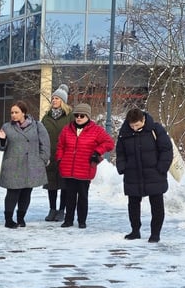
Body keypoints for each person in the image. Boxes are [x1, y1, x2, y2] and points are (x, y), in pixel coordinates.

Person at [115, 108, 172, 243]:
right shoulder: (125, 133)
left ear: (143, 120)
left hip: (154, 173)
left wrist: (162, 168)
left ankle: (155, 233)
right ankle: (135, 231)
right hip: (132, 173)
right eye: (132, 125)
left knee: (157, 205)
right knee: (133, 204)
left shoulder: (155, 129)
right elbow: (120, 152)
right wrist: (122, 166)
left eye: (137, 125)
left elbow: (166, 149)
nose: (134, 128)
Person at [54, 103, 114, 229]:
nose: (79, 118)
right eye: (76, 115)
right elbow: (60, 146)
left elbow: (109, 143)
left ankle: (82, 220)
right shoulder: (67, 129)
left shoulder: (96, 130)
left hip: (85, 169)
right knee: (69, 196)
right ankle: (68, 219)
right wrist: (60, 159)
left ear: (88, 116)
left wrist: (97, 152)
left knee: (82, 196)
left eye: (82, 115)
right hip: (68, 168)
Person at [0, 100, 50, 229]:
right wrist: (2, 140)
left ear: (23, 113)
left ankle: (21, 218)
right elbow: (1, 147)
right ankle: (8, 219)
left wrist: (42, 159)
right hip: (13, 165)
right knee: (12, 192)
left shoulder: (37, 126)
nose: (13, 115)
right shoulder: (7, 127)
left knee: (26, 192)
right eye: (12, 112)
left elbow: (45, 144)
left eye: (16, 112)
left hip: (31, 164)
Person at [42, 84, 72, 222]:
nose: (54, 100)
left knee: (64, 185)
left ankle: (62, 210)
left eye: (57, 98)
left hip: (65, 156)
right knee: (51, 184)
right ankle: (52, 209)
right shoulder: (46, 118)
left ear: (63, 101)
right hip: (49, 155)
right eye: (53, 98)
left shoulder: (70, 117)